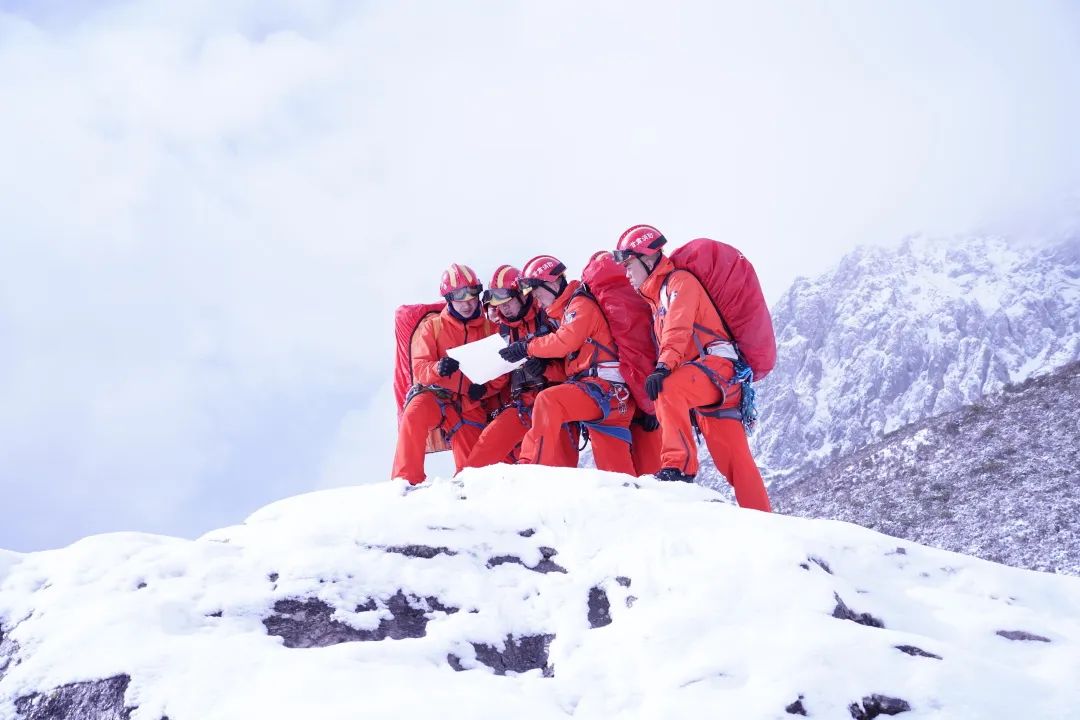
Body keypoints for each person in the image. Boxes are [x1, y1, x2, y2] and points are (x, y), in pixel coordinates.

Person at [614, 225, 771, 511]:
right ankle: (764, 518)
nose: (626, 273)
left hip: (717, 368)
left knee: (668, 388)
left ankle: (679, 468)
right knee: (736, 462)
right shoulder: (658, 297)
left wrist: (663, 367)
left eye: (628, 264)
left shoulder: (679, 282)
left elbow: (679, 328)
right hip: (715, 378)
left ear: (647, 258)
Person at [499, 255, 636, 475]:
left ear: (553, 283)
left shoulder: (579, 304)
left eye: (537, 291)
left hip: (603, 390)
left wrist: (527, 347)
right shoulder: (569, 311)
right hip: (614, 399)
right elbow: (572, 360)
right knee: (617, 475)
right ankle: (634, 496)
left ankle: (530, 468)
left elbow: (565, 342)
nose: (535, 298)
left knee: (548, 400)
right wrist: (545, 369)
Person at [391, 263, 503, 485]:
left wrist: (485, 389)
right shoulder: (432, 328)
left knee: (474, 470)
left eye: (473, 296)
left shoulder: (491, 330)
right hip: (435, 395)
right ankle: (405, 481)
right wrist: (438, 368)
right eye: (460, 297)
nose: (468, 303)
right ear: (449, 298)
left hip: (469, 403)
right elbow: (420, 368)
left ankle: (467, 492)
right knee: (414, 414)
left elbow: (502, 372)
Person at [463, 265, 578, 469]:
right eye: (498, 304)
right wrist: (483, 389)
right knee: (482, 454)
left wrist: (545, 368)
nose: (503, 309)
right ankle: (463, 486)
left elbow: (575, 367)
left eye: (508, 301)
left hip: (557, 406)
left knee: (559, 469)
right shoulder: (501, 333)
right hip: (521, 406)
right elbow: (499, 375)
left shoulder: (550, 318)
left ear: (523, 295)